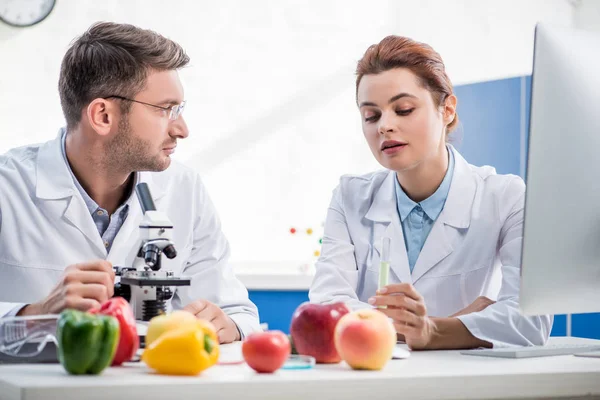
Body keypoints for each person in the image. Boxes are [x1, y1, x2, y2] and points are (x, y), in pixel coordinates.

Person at [0, 22, 260, 343]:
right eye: (166, 109)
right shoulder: (7, 188)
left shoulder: (184, 188)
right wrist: (33, 315)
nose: (182, 129)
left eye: (179, 109)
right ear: (103, 116)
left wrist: (228, 325)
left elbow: (238, 312)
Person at [308, 35, 552, 349]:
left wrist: (429, 331)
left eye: (404, 109)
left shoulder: (505, 197)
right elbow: (329, 310)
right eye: (371, 115)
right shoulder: (349, 196)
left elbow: (530, 322)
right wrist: (445, 326)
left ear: (447, 109)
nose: (385, 126)